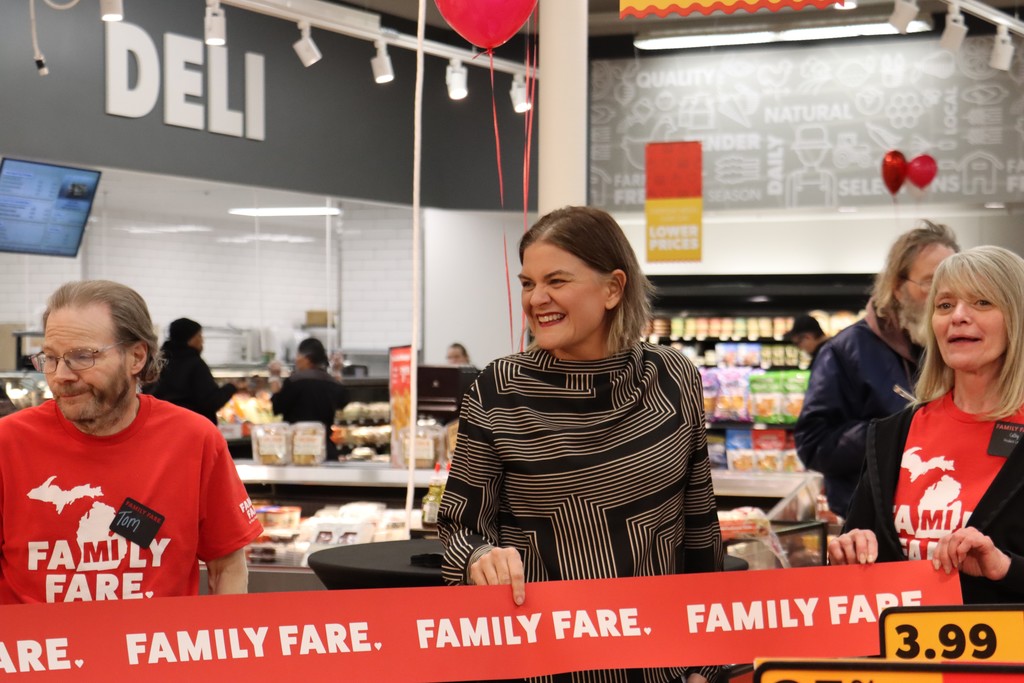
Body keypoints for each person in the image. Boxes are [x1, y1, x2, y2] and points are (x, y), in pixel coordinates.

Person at [438, 206, 723, 683]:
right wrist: (477, 558)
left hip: (657, 663)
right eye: (528, 283)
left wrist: (707, 663)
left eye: (557, 280)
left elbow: (698, 529)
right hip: (539, 664)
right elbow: (458, 527)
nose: (537, 299)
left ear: (613, 288)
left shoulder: (674, 378)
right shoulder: (497, 390)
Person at [0, 280, 263, 604]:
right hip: (41, 653)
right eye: (50, 358)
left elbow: (227, 568)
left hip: (155, 652)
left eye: (82, 356)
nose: (60, 375)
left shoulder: (194, 440)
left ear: (136, 357)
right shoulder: (8, 443)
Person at [828, 246, 1024, 604]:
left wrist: (1005, 567)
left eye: (982, 302)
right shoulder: (892, 435)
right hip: (895, 657)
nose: (958, 316)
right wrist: (848, 552)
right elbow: (856, 555)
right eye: (945, 305)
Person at [795, 220, 959, 518]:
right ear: (898, 288)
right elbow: (813, 445)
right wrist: (893, 432)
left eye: (951, 283)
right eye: (930, 283)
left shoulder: (959, 347)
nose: (941, 295)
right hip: (870, 523)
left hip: (944, 515)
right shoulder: (845, 351)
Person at [271, 337, 348, 461]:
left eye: (298, 355)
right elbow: (342, 402)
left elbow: (276, 408)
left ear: (306, 358)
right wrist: (337, 372)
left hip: (298, 450)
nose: (296, 360)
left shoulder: (294, 382)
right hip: (325, 450)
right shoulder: (331, 382)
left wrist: (274, 377)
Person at [148, 317, 237, 425]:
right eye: (199, 336)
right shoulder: (195, 364)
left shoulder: (159, 361)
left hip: (161, 425)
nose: (202, 340)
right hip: (191, 428)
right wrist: (232, 387)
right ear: (189, 339)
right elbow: (210, 402)